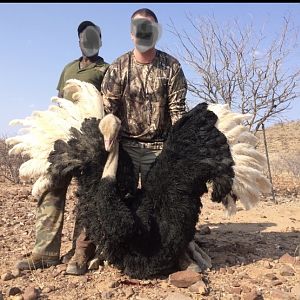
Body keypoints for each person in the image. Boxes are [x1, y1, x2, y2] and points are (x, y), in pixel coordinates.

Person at [101, 8, 201, 272]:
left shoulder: (171, 67)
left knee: (171, 203)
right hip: (125, 147)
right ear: (132, 33)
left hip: (160, 146)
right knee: (112, 198)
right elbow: (107, 111)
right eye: (139, 28)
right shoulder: (118, 67)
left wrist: (180, 150)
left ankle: (180, 249)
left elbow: (178, 111)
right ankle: (92, 247)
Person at [16, 20, 109, 276]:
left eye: (94, 37)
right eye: (84, 37)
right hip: (63, 138)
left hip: (91, 140)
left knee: (88, 196)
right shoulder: (68, 68)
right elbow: (58, 101)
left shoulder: (107, 70)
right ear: (79, 41)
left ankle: (82, 251)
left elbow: (110, 105)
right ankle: (44, 252)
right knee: (52, 188)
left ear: (100, 41)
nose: (89, 42)